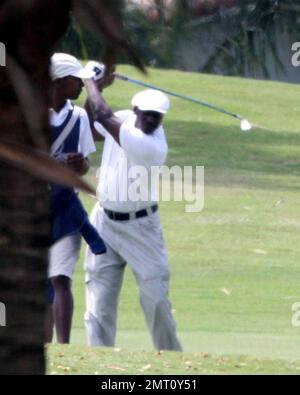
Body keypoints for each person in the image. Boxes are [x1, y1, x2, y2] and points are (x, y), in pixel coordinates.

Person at [83, 67, 182, 351]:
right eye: (147, 113)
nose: (151, 120)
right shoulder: (125, 119)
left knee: (156, 299)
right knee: (98, 304)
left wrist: (90, 79)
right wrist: (97, 89)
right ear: (135, 110)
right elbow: (90, 125)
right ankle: (98, 362)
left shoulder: (151, 146)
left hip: (141, 229)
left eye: (157, 116)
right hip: (103, 222)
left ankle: (173, 360)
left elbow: (103, 115)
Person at [48, 53, 106, 343]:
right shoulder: (28, 113)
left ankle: (64, 347)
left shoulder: (79, 116)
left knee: (60, 278)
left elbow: (85, 165)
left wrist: (78, 164)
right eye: (76, 79)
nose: (82, 85)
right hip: (30, 210)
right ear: (59, 81)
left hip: (65, 210)